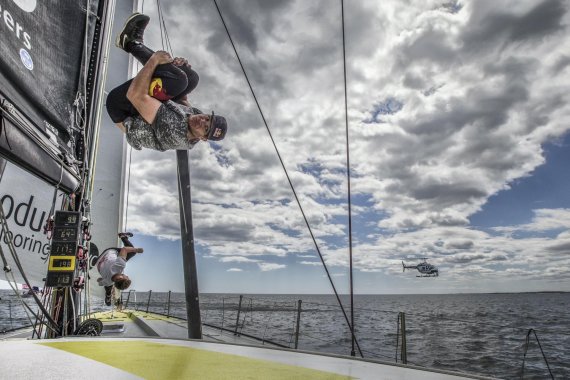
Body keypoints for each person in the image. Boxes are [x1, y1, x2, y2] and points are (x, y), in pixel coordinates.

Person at [106, 13, 228, 151]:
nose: (202, 121)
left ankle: (131, 43)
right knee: (191, 78)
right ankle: (133, 43)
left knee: (179, 80)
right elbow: (182, 99)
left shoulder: (173, 131)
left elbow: (135, 95)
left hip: (123, 110)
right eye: (207, 118)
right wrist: (179, 67)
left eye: (206, 128)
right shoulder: (195, 118)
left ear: (203, 138)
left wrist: (155, 60)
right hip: (141, 108)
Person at [96, 232, 143, 306]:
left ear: (121, 277)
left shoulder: (119, 266)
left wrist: (137, 250)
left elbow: (124, 249)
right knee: (108, 285)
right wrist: (100, 279)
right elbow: (99, 281)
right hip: (98, 261)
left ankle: (123, 236)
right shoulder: (108, 282)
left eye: (126, 277)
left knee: (132, 252)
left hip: (108, 252)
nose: (127, 276)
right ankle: (108, 295)